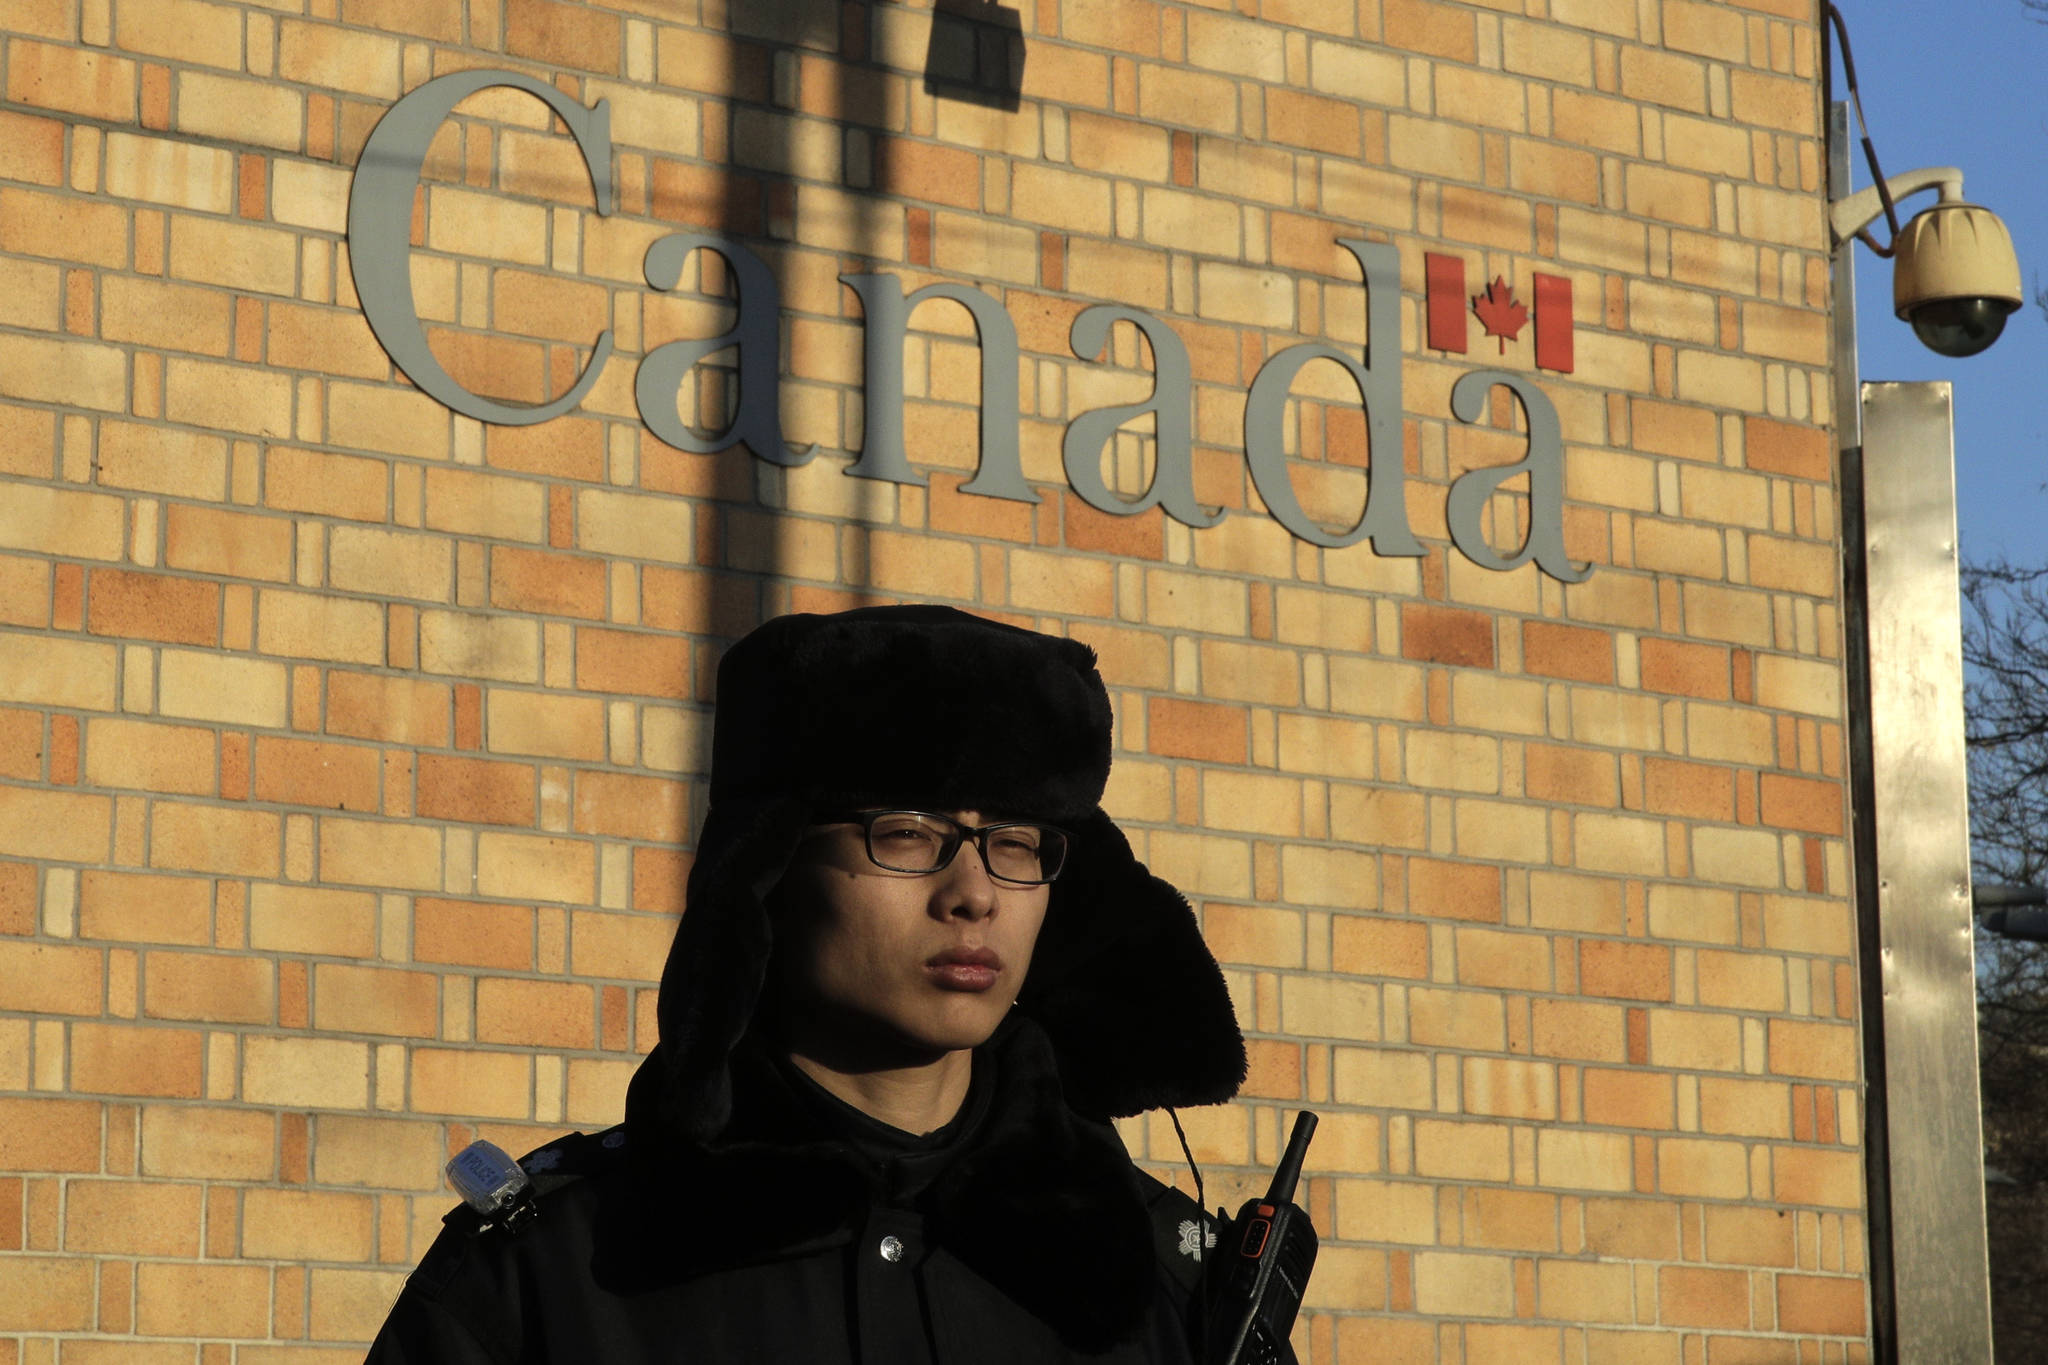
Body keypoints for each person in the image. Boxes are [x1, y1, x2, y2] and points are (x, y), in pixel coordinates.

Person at [366, 605, 1249, 1363]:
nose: (975, 892)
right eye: (906, 832)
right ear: (770, 867)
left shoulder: (1158, 1284)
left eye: (1016, 841)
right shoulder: (552, 1273)